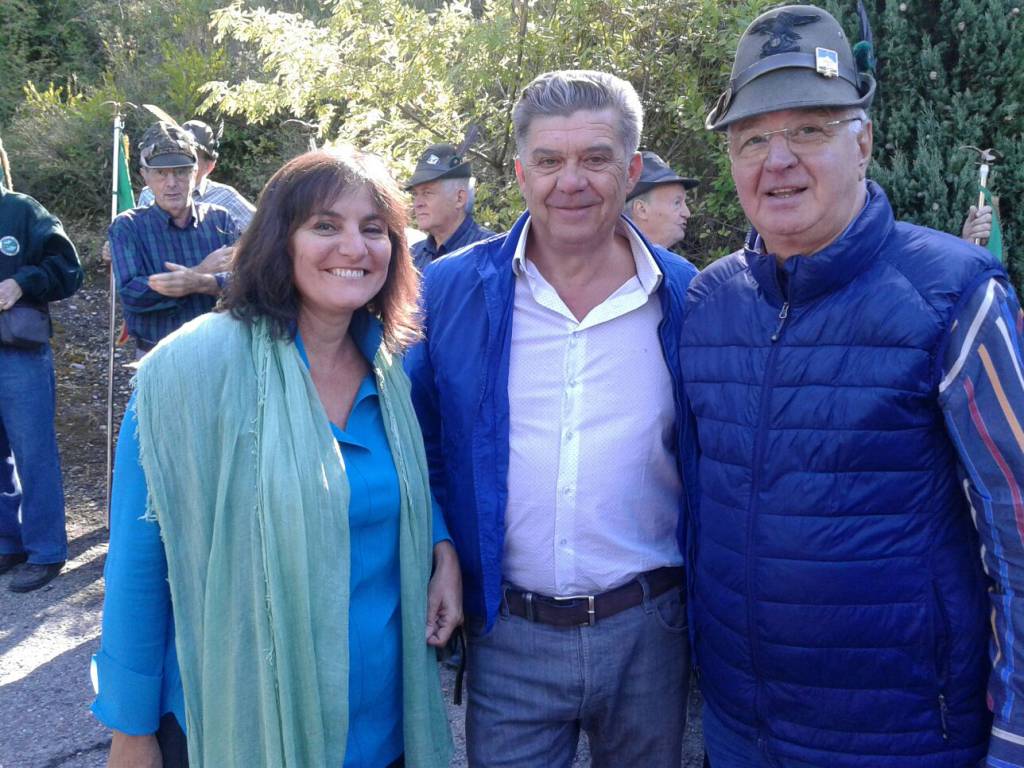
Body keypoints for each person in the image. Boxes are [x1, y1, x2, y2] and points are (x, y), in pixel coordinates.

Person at [685, 5, 1023, 766]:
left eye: (808, 129)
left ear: (863, 141)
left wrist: (1016, 737)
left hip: (903, 741)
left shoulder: (954, 297)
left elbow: (1021, 529)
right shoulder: (708, 306)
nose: (777, 160)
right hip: (742, 733)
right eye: (752, 138)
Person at [91, 147, 458, 768]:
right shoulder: (192, 370)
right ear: (277, 240)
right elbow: (139, 559)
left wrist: (440, 546)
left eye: (374, 229)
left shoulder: (388, 369)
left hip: (384, 729)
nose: (354, 247)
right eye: (325, 225)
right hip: (247, 722)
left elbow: (396, 485)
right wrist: (130, 731)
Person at [406, 69, 699, 767]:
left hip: (650, 629)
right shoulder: (448, 291)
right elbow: (419, 441)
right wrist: (442, 544)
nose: (572, 181)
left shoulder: (688, 297)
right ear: (520, 172)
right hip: (510, 631)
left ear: (630, 171)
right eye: (549, 160)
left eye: (595, 158)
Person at [0, 180, 83, 593]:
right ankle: (6, 543)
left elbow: (69, 270)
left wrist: (22, 283)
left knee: (33, 452)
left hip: (19, 351)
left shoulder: (22, 210)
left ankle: (46, 550)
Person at [108, 121, 241, 357]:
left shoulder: (220, 220)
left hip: (220, 353)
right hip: (156, 354)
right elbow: (132, 295)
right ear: (145, 176)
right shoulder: (127, 226)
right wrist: (200, 273)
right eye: (161, 173)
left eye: (180, 171)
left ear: (195, 172)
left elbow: (244, 284)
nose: (171, 183)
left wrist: (198, 282)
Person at [137, 119, 255, 230]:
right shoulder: (148, 195)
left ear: (209, 166)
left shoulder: (226, 199)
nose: (171, 183)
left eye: (193, 157)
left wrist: (236, 249)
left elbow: (263, 230)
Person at [406, 143, 494, 271]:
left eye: (427, 193)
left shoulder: (490, 251)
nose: (417, 203)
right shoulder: (413, 256)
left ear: (459, 198)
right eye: (415, 194)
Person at [623, 150, 697, 249]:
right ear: (641, 209)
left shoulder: (670, 264)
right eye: (677, 203)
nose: (687, 213)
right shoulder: (609, 262)